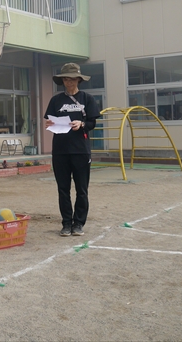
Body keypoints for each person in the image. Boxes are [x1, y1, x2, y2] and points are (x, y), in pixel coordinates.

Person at [44, 63, 100, 237]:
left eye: (73, 79)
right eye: (66, 79)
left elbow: (92, 122)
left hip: (80, 150)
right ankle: (66, 223)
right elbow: (49, 120)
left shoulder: (87, 99)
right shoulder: (56, 100)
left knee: (82, 189)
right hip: (60, 150)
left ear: (79, 80)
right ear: (62, 81)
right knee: (63, 189)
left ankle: (79, 223)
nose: (69, 82)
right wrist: (49, 123)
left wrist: (81, 124)